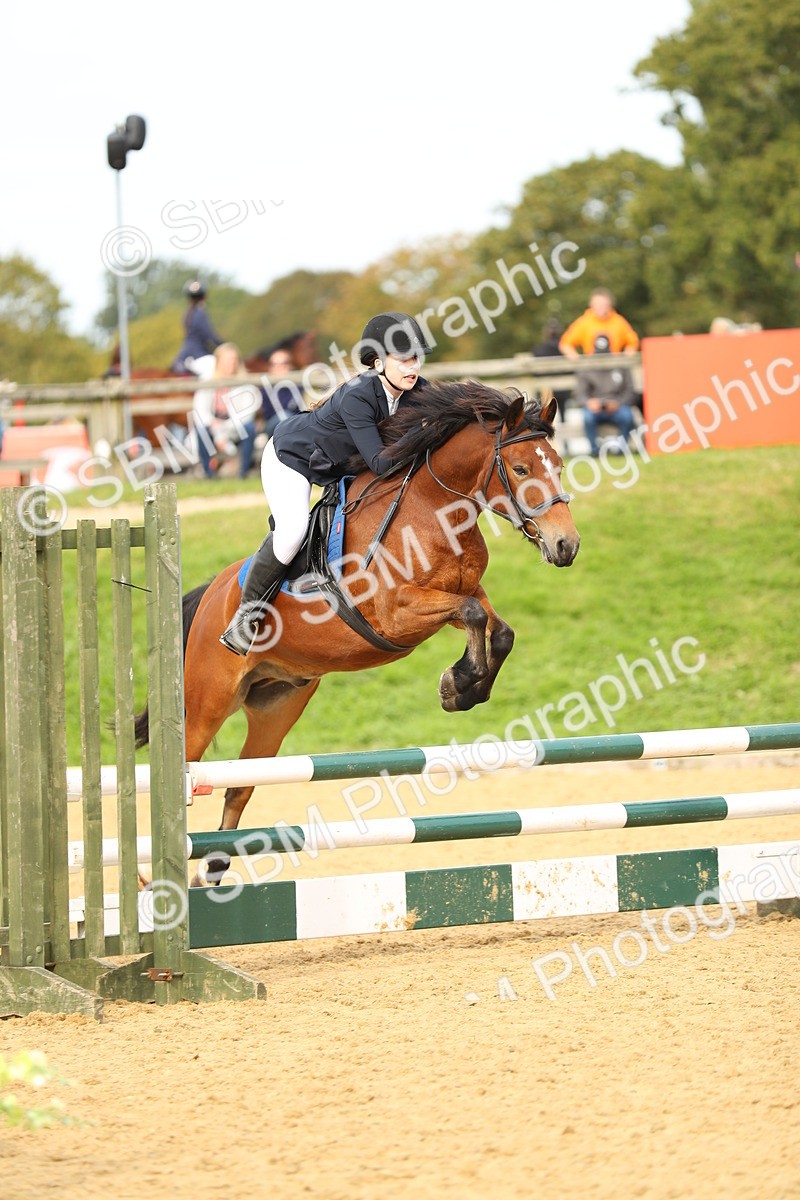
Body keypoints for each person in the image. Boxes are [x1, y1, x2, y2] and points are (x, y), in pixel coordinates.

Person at [220, 311, 432, 655]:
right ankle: (245, 620)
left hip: (337, 468)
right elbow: (380, 463)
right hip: (292, 458)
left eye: (416, 358)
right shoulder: (359, 395)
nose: (413, 367)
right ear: (378, 363)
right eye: (403, 359)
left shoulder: (418, 392)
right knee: (292, 532)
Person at [191, 343, 259, 479]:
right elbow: (200, 410)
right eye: (227, 360)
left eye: (234, 359)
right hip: (213, 428)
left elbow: (247, 414)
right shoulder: (207, 381)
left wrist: (225, 427)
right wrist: (213, 425)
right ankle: (209, 475)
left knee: (249, 428)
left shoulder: (245, 384)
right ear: (218, 362)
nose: (231, 363)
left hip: (235, 428)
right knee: (201, 431)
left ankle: (243, 474)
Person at [577, 334, 637, 457]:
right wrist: (590, 402)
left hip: (617, 405)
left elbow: (630, 391)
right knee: (587, 417)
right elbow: (580, 394)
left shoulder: (621, 366)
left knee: (627, 415)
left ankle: (622, 449)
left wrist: (618, 402)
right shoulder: (586, 368)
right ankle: (595, 451)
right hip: (595, 408)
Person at [559, 287, 640, 358]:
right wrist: (576, 359)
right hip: (591, 366)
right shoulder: (584, 322)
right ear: (591, 305)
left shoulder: (618, 322)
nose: (601, 307)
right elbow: (565, 343)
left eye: (603, 304)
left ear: (610, 305)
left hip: (614, 365)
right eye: (598, 304)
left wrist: (627, 354)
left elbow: (633, 341)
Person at [171, 280, 224, 376]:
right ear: (205, 296)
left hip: (184, 354)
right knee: (218, 371)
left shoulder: (187, 313)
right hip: (198, 355)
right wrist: (225, 345)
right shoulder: (200, 313)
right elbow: (210, 336)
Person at [531, 317, 572, 420]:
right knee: (562, 413)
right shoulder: (565, 348)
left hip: (544, 388)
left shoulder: (539, 349)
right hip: (561, 388)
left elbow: (535, 371)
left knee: (543, 414)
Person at [261, 347, 304, 437]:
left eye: (284, 363)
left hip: (296, 423)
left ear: (290, 365)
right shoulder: (266, 387)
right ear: (270, 368)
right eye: (275, 364)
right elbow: (268, 413)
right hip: (273, 424)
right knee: (285, 416)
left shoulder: (298, 384)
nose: (280, 367)